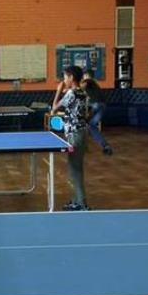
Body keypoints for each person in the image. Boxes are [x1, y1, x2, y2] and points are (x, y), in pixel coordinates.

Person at [52, 65, 90, 210]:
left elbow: (54, 108)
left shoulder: (70, 94)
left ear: (71, 78)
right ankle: (76, 200)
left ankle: (81, 203)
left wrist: (58, 91)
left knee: (75, 169)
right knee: (75, 168)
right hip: (81, 133)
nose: (64, 80)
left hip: (74, 135)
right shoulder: (83, 93)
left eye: (65, 77)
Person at [81, 69, 113, 155]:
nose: (82, 77)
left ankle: (81, 146)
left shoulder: (89, 81)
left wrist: (72, 90)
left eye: (83, 75)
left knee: (82, 122)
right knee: (91, 125)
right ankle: (105, 146)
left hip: (96, 106)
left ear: (87, 75)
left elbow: (82, 86)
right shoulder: (95, 84)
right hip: (103, 106)